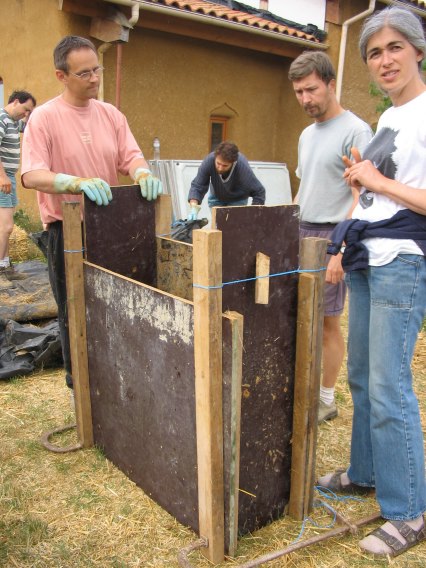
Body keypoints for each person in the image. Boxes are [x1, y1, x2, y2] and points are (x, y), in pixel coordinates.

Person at [318, 6, 426, 557]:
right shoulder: (390, 119)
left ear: (418, 50)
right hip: (368, 256)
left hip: (404, 261)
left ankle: (409, 510)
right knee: (360, 375)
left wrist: (377, 178)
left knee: (389, 387)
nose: (385, 60)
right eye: (374, 53)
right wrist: (346, 234)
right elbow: (376, 194)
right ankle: (365, 473)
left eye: (394, 48)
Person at [21, 35, 162, 390]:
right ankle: (80, 389)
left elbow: (131, 156)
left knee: (114, 305)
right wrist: (72, 182)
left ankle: (116, 384)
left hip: (110, 229)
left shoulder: (111, 114)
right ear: (61, 76)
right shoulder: (44, 118)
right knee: (74, 312)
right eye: (84, 73)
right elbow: (31, 174)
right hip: (65, 232)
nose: (95, 78)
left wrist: (142, 172)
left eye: (96, 69)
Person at [288, 51, 373, 423]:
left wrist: (339, 251)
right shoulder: (306, 134)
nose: (305, 99)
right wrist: (285, 229)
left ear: (331, 84)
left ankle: (325, 399)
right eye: (298, 92)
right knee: (298, 315)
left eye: (311, 89)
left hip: (332, 235)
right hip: (301, 231)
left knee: (326, 322)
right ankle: (305, 387)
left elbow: (366, 199)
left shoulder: (356, 131)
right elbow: (303, 188)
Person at [0, 90, 36, 278]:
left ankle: (5, 263)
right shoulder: (2, 119)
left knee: (4, 226)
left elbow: (31, 125)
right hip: (3, 178)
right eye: (25, 109)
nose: (26, 114)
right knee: (6, 227)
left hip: (9, 177)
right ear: (15, 102)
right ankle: (1, 267)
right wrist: (2, 177)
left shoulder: (13, 121)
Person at [187, 140, 265, 219]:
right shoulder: (209, 161)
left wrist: (254, 215)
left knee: (233, 228)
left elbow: (259, 191)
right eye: (218, 163)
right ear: (215, 157)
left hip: (237, 199)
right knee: (218, 228)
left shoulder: (242, 167)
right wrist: (194, 206)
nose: (220, 168)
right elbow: (198, 185)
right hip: (216, 197)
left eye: (225, 165)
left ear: (233, 163)